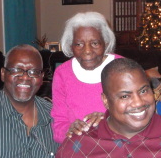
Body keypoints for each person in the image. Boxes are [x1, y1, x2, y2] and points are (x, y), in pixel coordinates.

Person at [51, 11, 121, 143]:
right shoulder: (62, 73)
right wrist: (69, 130)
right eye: (79, 44)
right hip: (78, 151)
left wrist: (109, 121)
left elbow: (137, 117)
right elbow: (58, 126)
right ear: (71, 46)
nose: (87, 51)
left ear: (105, 43)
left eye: (95, 43)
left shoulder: (122, 68)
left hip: (117, 149)